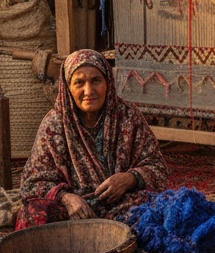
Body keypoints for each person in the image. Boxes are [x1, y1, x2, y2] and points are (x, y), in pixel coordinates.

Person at [17, 49, 168, 229]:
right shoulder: (54, 124)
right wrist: (66, 198)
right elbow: (32, 183)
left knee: (162, 212)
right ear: (67, 87)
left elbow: (158, 167)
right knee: (33, 213)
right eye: (79, 82)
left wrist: (129, 178)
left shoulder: (128, 117)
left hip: (121, 204)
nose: (88, 91)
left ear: (108, 82)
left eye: (96, 80)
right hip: (74, 209)